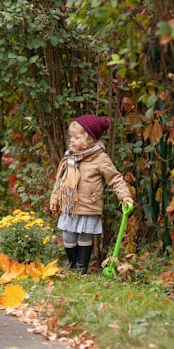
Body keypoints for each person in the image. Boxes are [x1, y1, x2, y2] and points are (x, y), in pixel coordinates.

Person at [49, 115, 134, 274]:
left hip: (88, 206)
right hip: (70, 206)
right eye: (71, 137)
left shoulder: (100, 159)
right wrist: (54, 199)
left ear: (89, 139)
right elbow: (60, 181)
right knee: (68, 237)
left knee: (84, 238)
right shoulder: (70, 157)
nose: (72, 140)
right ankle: (73, 265)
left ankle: (81, 270)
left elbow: (115, 178)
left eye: (77, 137)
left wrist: (125, 196)